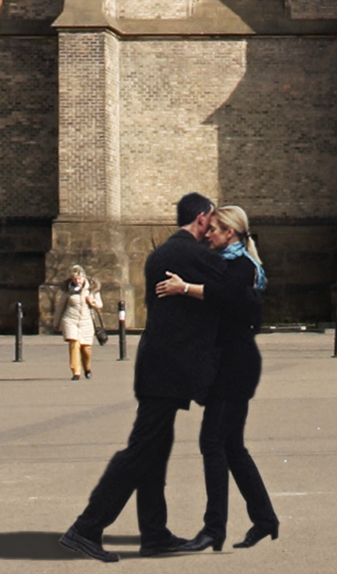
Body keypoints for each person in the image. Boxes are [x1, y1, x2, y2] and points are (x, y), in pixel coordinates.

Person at [61, 193, 229, 563]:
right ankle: (86, 527)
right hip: (167, 370)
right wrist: (237, 242)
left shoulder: (164, 252)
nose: (215, 228)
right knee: (141, 451)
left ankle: (154, 533)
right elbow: (234, 284)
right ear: (202, 218)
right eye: (213, 221)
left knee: (154, 451)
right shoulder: (190, 254)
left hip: (157, 366)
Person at [155, 206, 279, 553]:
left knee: (212, 442)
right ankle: (265, 519)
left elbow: (224, 294)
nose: (207, 234)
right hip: (225, 364)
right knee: (231, 446)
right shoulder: (224, 264)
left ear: (230, 232)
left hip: (236, 366)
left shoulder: (243, 267)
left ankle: (214, 529)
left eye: (213, 229)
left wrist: (184, 288)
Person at [60, 265, 106, 381]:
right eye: (75, 279)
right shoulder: (67, 290)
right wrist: (56, 323)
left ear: (84, 278)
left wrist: (92, 301)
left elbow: (100, 305)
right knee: (74, 343)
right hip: (70, 319)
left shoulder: (92, 289)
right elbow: (60, 307)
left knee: (86, 349)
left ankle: (87, 367)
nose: (77, 281)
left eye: (79, 279)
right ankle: (76, 371)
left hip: (86, 321)